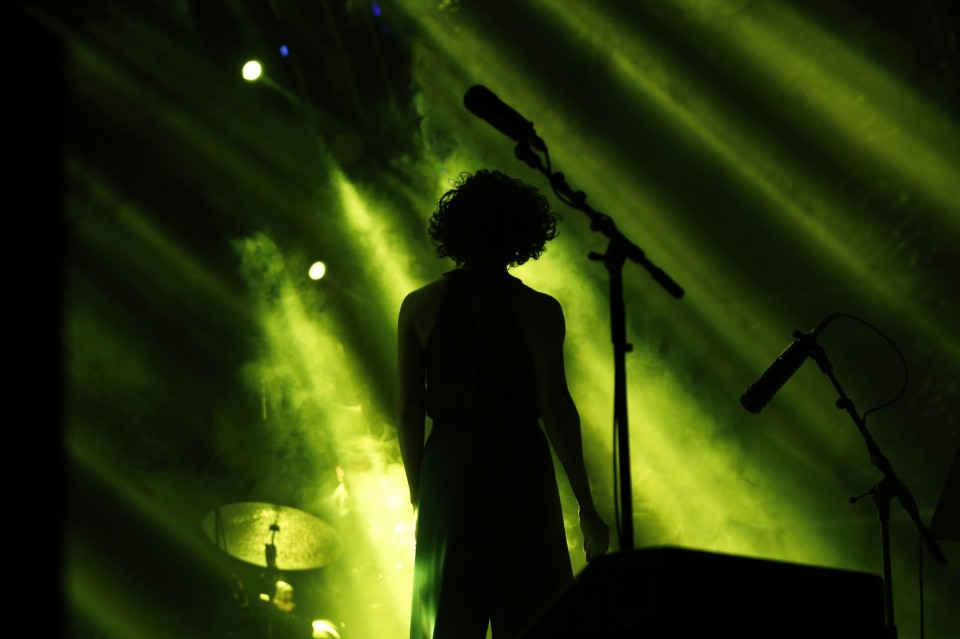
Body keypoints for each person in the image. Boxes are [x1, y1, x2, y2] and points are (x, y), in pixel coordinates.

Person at [396, 169, 610, 639]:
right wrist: (586, 506)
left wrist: (420, 495)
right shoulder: (539, 310)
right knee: (533, 614)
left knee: (446, 621)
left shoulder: (418, 306)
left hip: (448, 467)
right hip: (518, 465)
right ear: (519, 233)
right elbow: (555, 406)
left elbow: (410, 412)